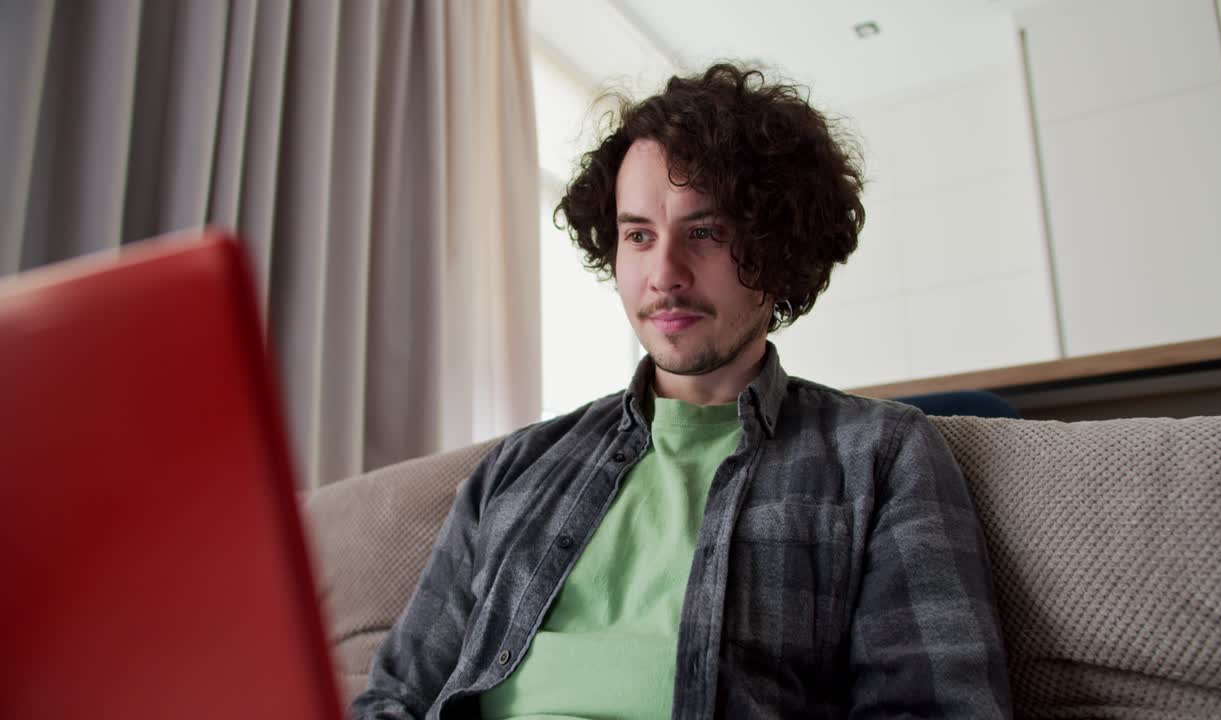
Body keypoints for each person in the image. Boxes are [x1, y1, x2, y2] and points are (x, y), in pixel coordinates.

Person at [351, 63, 1011, 719]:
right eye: (638, 235)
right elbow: (396, 696)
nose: (663, 273)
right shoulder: (516, 468)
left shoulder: (881, 456)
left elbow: (937, 708)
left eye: (704, 232)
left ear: (780, 247)